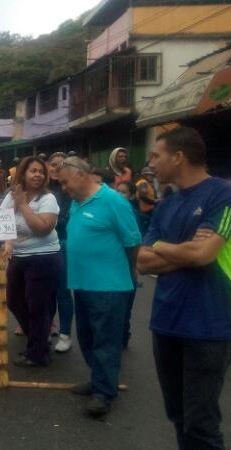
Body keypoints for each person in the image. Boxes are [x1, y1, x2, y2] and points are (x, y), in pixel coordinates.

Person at [137, 127, 231, 448]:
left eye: (156, 156)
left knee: (201, 425)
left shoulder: (226, 195)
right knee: (178, 416)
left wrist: (163, 247)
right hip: (166, 322)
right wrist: (184, 250)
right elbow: (143, 262)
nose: (151, 163)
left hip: (209, 326)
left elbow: (203, 254)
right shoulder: (166, 204)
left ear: (179, 157)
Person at [59, 156, 141, 417]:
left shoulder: (114, 201)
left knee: (106, 339)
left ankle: (104, 393)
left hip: (108, 285)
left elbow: (132, 241)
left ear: (82, 174)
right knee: (87, 336)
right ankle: (98, 380)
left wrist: (130, 270)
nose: (63, 188)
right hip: (82, 283)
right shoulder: (77, 203)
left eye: (65, 181)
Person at [1, 157, 61, 367]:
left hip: (43, 257)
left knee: (37, 306)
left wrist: (23, 205)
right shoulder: (11, 196)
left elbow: (42, 228)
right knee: (14, 301)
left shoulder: (48, 199)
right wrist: (8, 242)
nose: (37, 175)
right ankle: (40, 340)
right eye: (33, 171)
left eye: (41, 172)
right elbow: (3, 223)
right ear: (23, 174)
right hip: (18, 256)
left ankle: (37, 354)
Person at [47, 152, 74, 353]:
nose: (56, 168)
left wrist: (43, 223)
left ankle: (65, 334)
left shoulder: (70, 191)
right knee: (45, 292)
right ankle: (47, 328)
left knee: (63, 292)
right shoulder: (42, 190)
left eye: (61, 164)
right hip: (42, 246)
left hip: (63, 244)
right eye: (53, 164)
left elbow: (66, 220)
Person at [115, 180, 141, 348]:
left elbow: (136, 242)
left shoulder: (132, 213)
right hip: (114, 265)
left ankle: (124, 334)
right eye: (117, 191)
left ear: (131, 195)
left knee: (125, 307)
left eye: (123, 192)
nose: (119, 195)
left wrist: (135, 265)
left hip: (128, 264)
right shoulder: (113, 211)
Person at [136, 167, 158, 234]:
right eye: (149, 175)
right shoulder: (143, 183)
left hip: (149, 211)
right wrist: (154, 201)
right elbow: (142, 196)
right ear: (144, 175)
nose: (151, 177)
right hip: (146, 212)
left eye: (152, 175)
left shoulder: (148, 184)